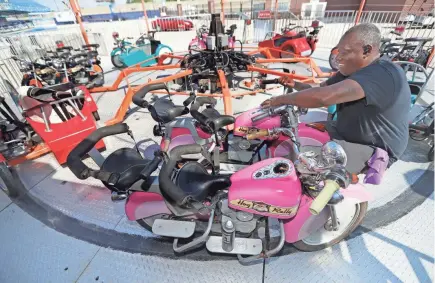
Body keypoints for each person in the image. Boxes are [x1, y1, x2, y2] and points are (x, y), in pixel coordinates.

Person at [261, 23, 410, 174]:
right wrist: (295, 84)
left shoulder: (381, 72)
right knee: (292, 134)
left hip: (373, 147)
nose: (338, 57)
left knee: (299, 160)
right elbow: (319, 90)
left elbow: (323, 97)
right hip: (345, 130)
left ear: (366, 50)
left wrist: (280, 99)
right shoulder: (352, 70)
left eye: (345, 52)